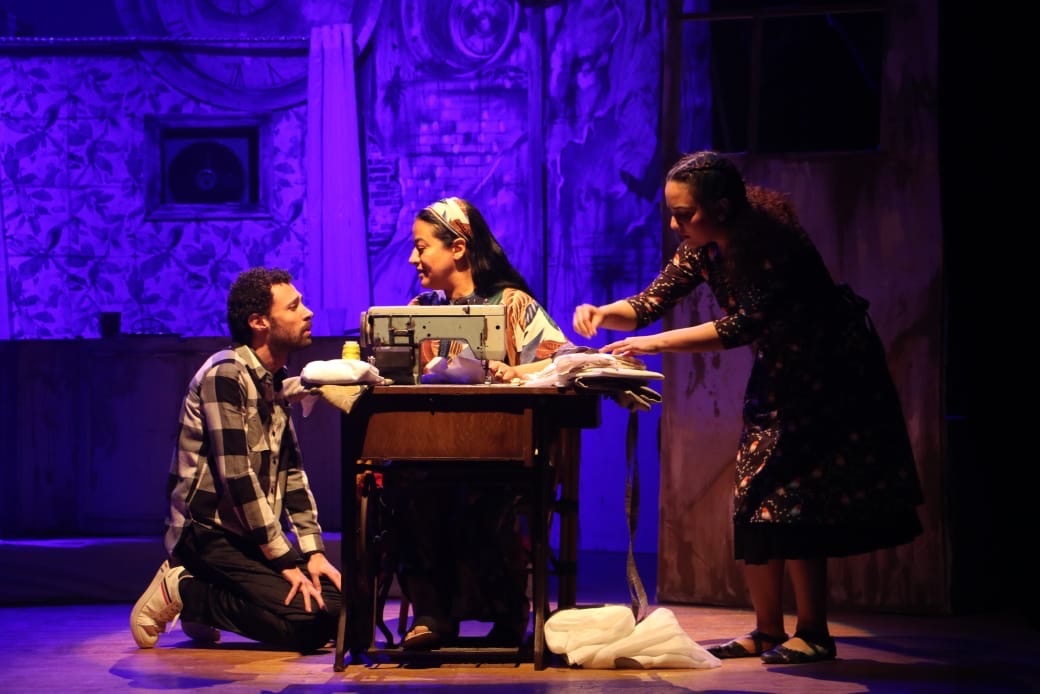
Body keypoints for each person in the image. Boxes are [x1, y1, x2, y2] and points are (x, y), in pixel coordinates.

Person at [572, 151, 924, 664]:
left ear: (722, 205)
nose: (675, 225)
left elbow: (742, 327)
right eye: (672, 214)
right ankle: (767, 629)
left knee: (799, 498)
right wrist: (602, 312)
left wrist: (652, 344)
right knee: (754, 492)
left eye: (684, 214)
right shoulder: (702, 249)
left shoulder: (773, 244)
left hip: (828, 373)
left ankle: (814, 631)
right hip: (780, 370)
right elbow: (650, 302)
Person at [130, 267, 343, 652]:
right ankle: (184, 591)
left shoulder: (273, 381)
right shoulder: (225, 374)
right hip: (206, 533)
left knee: (338, 607)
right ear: (259, 322)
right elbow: (237, 479)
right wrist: (284, 560)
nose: (307, 312)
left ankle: (206, 597)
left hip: (246, 535)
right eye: (294, 306)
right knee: (309, 625)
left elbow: (292, 474)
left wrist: (313, 552)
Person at [396, 196, 572, 650]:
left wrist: (517, 371)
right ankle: (431, 614)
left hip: (501, 450)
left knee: (480, 492)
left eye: (421, 247)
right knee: (404, 485)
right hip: (432, 447)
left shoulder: (511, 304)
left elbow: (566, 359)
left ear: (457, 248)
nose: (413, 258)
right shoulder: (420, 310)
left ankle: (508, 611)